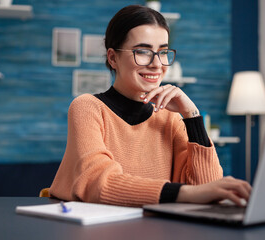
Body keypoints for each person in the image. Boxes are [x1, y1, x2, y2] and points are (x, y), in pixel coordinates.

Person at [50, 5, 251, 207]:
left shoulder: (170, 119)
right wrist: (185, 193)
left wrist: (191, 115)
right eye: (143, 52)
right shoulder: (87, 107)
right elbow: (98, 184)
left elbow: (206, 189)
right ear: (113, 58)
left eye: (163, 52)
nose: (157, 64)